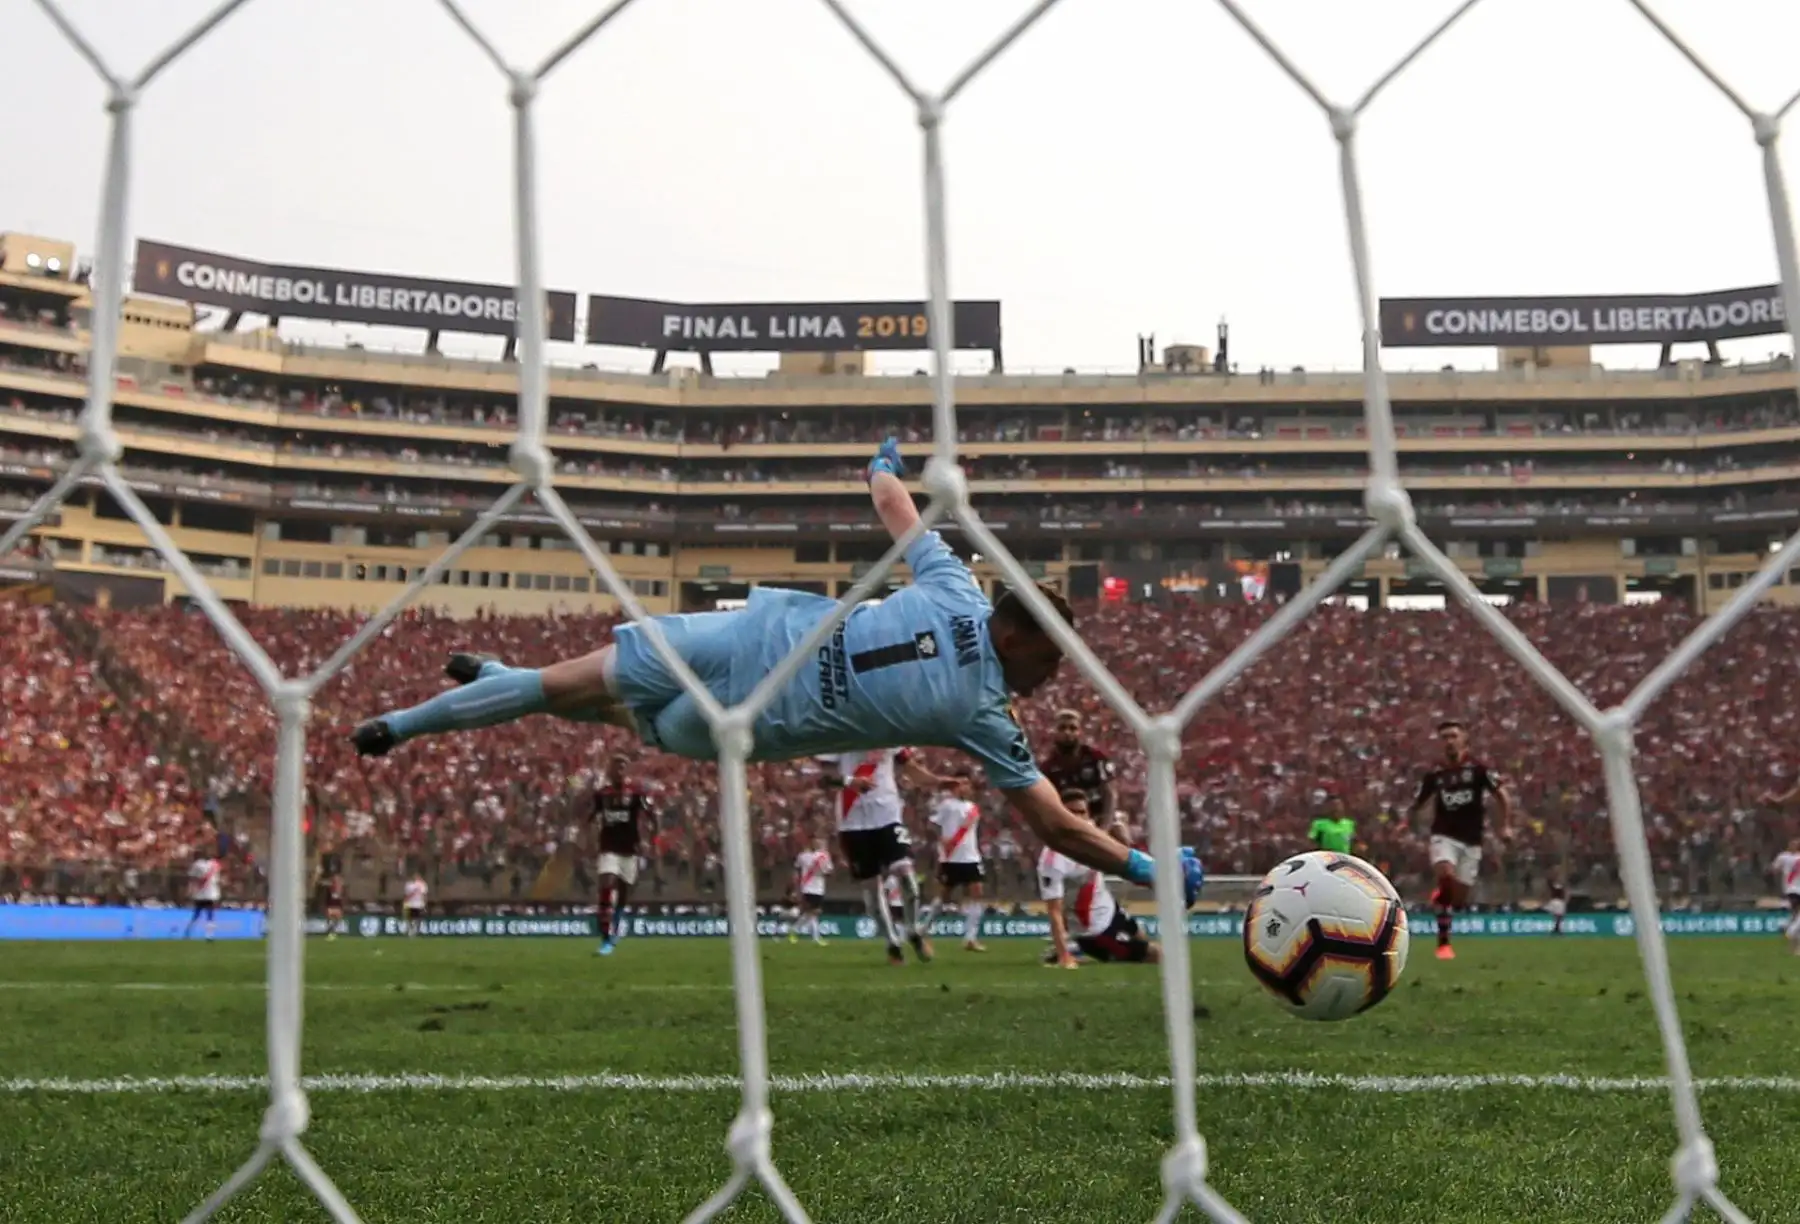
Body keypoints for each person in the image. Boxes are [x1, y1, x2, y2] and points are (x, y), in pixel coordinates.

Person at [349, 438, 1200, 907]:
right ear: (1021, 638)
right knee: (581, 694)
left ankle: (494, 677)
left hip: (750, 672)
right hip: (751, 707)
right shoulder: (985, 712)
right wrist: (1143, 868)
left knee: (592, 703)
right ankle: (404, 724)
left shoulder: (953, 587)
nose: (1058, 675)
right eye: (1054, 656)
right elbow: (1054, 825)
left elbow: (892, 506)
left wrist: (879, 464)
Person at [1039, 790, 1188, 968]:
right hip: (1093, 933)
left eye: (1082, 812)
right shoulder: (1052, 860)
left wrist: (1121, 830)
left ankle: (1074, 948)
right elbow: (1054, 911)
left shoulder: (1091, 833)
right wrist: (1065, 956)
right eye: (1072, 813)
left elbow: (1125, 849)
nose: (1078, 817)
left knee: (1142, 939)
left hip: (1112, 911)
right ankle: (1071, 949)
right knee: (1158, 955)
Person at [824, 746, 942, 965]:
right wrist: (850, 781)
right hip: (853, 823)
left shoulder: (889, 728)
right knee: (872, 887)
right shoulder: (839, 731)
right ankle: (892, 944)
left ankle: (913, 929)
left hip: (888, 818)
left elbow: (911, 768)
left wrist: (940, 781)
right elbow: (823, 777)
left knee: (906, 875)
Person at [1410, 719, 1513, 961]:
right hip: (1444, 835)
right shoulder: (1435, 773)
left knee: (1458, 900)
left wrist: (1505, 826)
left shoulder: (1478, 769)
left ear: (1464, 739)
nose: (1449, 741)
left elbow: (1502, 795)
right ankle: (1443, 944)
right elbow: (1417, 804)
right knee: (1445, 874)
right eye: (1444, 737)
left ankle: (1443, 896)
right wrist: (1407, 825)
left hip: (1472, 841)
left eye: (1453, 736)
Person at [590, 758, 654, 956]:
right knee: (607, 885)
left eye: (622, 767)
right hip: (609, 849)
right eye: (615, 766)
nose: (619, 770)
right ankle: (606, 939)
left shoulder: (635, 793)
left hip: (630, 851)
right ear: (609, 771)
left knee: (623, 896)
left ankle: (614, 929)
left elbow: (651, 815)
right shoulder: (602, 794)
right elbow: (590, 816)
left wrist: (651, 840)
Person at [920, 769, 988, 952]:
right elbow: (932, 824)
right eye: (962, 784)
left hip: (971, 856)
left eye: (967, 784)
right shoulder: (946, 805)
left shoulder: (973, 808)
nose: (965, 787)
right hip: (951, 857)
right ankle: (923, 929)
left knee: (977, 893)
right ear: (955, 786)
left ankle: (970, 938)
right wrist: (940, 839)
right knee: (943, 896)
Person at [1039, 709, 1125, 841]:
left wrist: (1104, 830)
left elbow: (1110, 794)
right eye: (1062, 728)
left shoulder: (1096, 758)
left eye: (1073, 728)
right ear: (1054, 732)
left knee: (1121, 834)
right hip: (1068, 824)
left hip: (1100, 818)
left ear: (1080, 732)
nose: (1067, 732)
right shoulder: (1048, 768)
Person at [790, 836, 832, 945]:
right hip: (808, 887)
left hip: (819, 887)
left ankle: (794, 929)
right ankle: (815, 937)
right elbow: (797, 870)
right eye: (815, 842)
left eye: (819, 842)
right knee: (814, 912)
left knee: (812, 913)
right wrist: (797, 887)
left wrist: (824, 870)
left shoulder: (824, 856)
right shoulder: (803, 856)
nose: (817, 844)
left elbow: (829, 871)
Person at [1770, 838, 1800, 954]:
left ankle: (1794, 946)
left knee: (1795, 915)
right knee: (1797, 916)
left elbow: (1774, 870)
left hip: (1791, 890)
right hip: (1794, 890)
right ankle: (1789, 930)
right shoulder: (1785, 857)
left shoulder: (1784, 857)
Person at [1308, 785, 1356, 855]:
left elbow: (1353, 842)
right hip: (1327, 858)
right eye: (1333, 806)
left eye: (1338, 806)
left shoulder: (1349, 824)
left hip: (1345, 858)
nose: (1336, 809)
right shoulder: (1319, 824)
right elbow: (1311, 842)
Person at [184, 851, 221, 941]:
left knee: (197, 914)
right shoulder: (214, 864)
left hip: (200, 893)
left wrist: (190, 890)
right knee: (210, 914)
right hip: (211, 893)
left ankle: (188, 932)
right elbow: (217, 878)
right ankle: (209, 935)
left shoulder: (196, 864)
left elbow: (191, 877)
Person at [402, 871, 428, 937]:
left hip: (419, 904)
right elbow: (406, 895)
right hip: (410, 904)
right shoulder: (409, 884)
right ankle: (410, 930)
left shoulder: (422, 884)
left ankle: (417, 930)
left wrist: (424, 904)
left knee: (418, 918)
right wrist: (405, 902)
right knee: (410, 918)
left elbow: (424, 895)